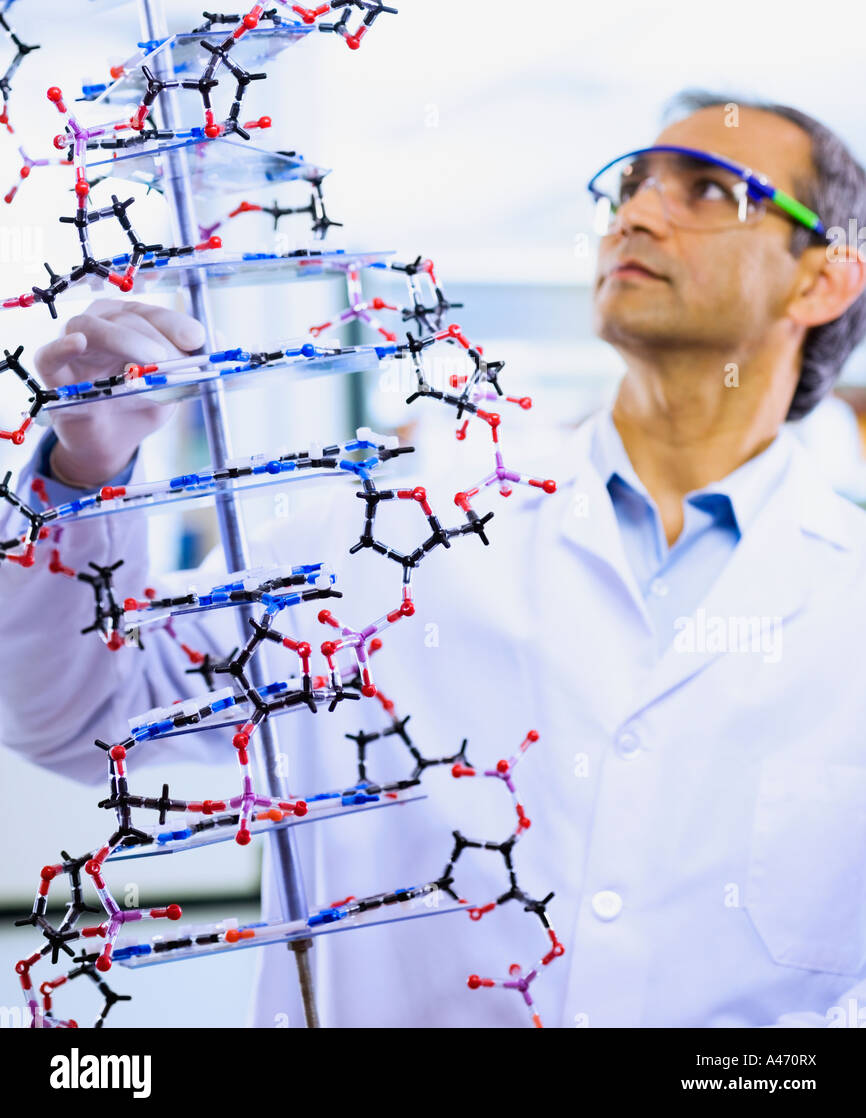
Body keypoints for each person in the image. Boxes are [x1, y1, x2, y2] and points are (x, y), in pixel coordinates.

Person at [4, 90, 866, 1030]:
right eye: (631, 186)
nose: (639, 213)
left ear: (824, 278)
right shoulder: (388, 518)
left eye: (709, 189)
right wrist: (83, 475)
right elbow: (82, 719)